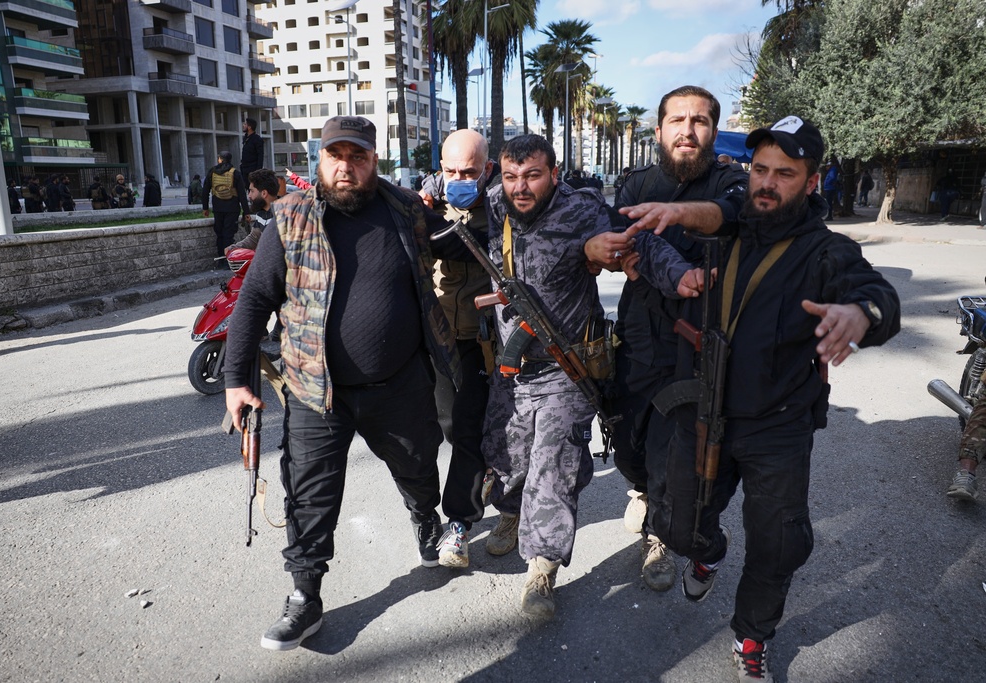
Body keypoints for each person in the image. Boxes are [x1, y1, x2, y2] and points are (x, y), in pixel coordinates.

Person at [649, 116, 900, 682]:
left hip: (778, 424)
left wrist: (861, 313)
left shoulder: (826, 251)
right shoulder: (725, 227)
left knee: (779, 543)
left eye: (784, 174)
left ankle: (752, 635)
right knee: (677, 527)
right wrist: (674, 219)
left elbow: (876, 293)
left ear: (810, 183)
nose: (766, 183)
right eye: (760, 169)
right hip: (703, 409)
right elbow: (701, 219)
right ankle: (709, 552)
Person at [223, 115, 476, 651]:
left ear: (374, 160)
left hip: (399, 384)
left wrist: (511, 207)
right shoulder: (289, 217)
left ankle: (425, 519)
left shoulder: (407, 209)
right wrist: (236, 380)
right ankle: (305, 595)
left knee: (418, 468)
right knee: (309, 495)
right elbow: (254, 300)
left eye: (357, 156)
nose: (346, 167)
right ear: (319, 159)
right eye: (335, 155)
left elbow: (463, 244)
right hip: (316, 391)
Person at [480, 134, 702, 618]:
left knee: (553, 467)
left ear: (554, 174)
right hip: (511, 369)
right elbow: (448, 191)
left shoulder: (581, 210)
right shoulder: (495, 202)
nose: (520, 187)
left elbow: (639, 241)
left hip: (566, 368)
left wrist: (678, 275)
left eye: (533, 176)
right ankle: (511, 514)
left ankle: (542, 567)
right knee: (507, 457)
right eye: (511, 176)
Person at [583, 85, 749, 592]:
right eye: (677, 120)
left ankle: (660, 533)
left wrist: (678, 217)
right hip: (639, 335)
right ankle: (644, 493)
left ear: (713, 131)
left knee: (673, 456)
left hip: (698, 345)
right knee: (628, 445)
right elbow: (627, 245)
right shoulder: (636, 183)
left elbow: (728, 215)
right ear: (659, 131)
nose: (687, 130)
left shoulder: (731, 183)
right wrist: (635, 260)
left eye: (699, 121)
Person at [418, 128, 498, 569]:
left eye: (469, 172)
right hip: (435, 337)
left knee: (467, 428)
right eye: (451, 171)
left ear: (488, 168)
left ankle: (459, 523)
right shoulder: (427, 204)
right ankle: (478, 475)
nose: (459, 179)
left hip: (481, 342)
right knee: (443, 426)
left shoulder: (504, 205)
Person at [202, 151, 250, 257]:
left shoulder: (212, 172)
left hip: (218, 208)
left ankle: (221, 258)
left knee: (220, 234)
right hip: (232, 209)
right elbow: (242, 194)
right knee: (228, 235)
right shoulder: (235, 173)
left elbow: (205, 190)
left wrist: (205, 208)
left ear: (220, 159)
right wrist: (246, 212)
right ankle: (228, 259)